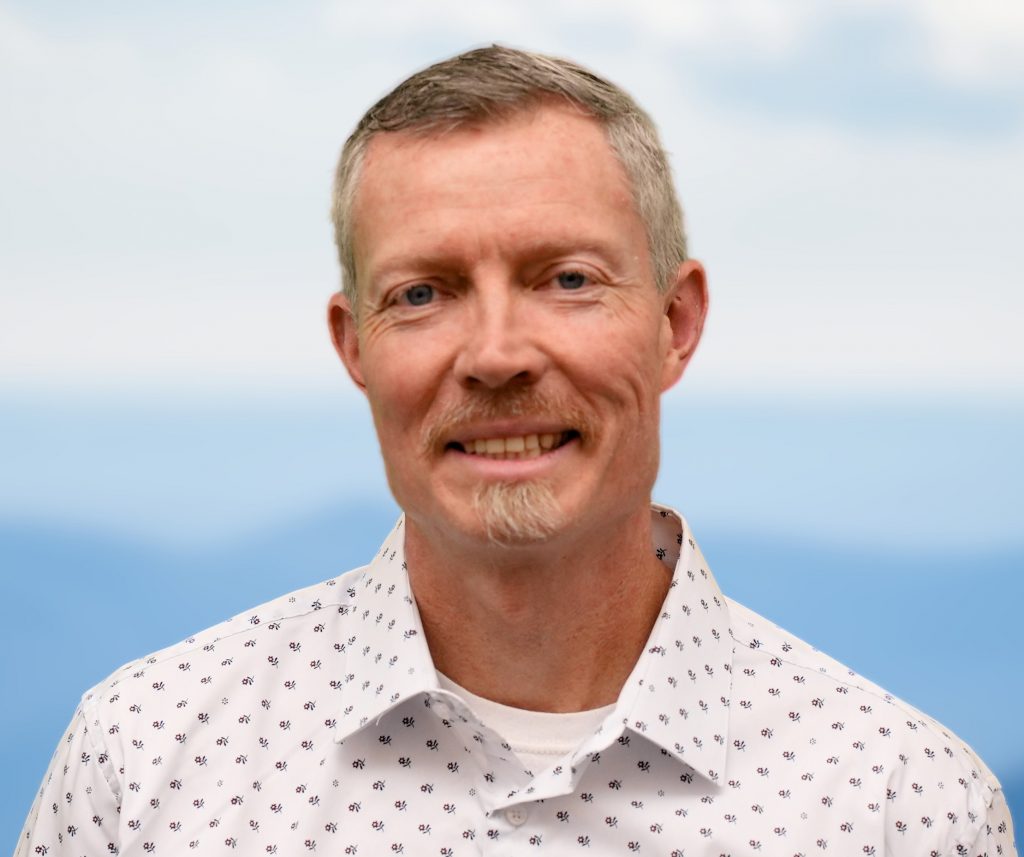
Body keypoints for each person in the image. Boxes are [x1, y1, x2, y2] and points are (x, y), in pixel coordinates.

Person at [17, 45, 1015, 857]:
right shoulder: (143, 764)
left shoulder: (902, 807)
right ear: (355, 346)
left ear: (675, 323)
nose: (496, 355)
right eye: (422, 293)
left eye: (566, 278)